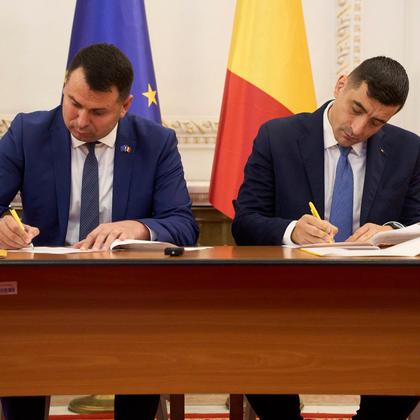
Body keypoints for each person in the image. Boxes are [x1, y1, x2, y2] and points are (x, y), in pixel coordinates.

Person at [0, 43, 198, 420]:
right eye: (73, 103)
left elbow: (184, 225)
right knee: (18, 348)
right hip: (43, 290)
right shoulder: (28, 132)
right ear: (64, 87)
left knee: (144, 345)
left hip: (127, 294)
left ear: (124, 107)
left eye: (97, 112)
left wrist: (138, 227)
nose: (80, 120)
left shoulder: (156, 142)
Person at [232, 56, 420, 419]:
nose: (359, 128)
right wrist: (291, 230)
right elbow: (245, 222)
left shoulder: (408, 150)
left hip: (376, 300)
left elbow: (416, 225)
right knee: (252, 345)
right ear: (341, 85)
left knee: (410, 352)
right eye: (357, 109)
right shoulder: (278, 136)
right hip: (288, 296)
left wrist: (392, 232)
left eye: (377, 122)